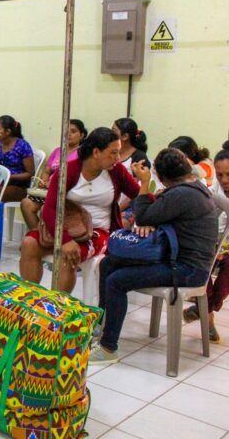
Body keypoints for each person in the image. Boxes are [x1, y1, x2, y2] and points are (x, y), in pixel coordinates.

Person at [90, 148, 219, 364]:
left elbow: (144, 214)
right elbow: (152, 216)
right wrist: (149, 220)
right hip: (177, 259)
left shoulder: (182, 194)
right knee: (109, 264)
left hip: (187, 270)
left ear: (161, 177)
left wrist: (143, 183)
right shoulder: (193, 187)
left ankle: (108, 348)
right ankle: (102, 327)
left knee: (116, 281)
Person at [19, 127, 139, 293]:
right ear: (96, 152)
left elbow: (137, 195)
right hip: (66, 229)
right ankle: (29, 299)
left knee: (67, 257)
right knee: (29, 243)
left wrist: (146, 183)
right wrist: (65, 239)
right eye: (113, 153)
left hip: (99, 230)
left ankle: (58, 308)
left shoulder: (117, 171)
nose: (117, 158)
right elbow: (49, 208)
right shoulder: (68, 170)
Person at [183, 140, 229, 342]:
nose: (224, 180)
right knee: (202, 269)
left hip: (225, 248)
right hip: (207, 245)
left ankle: (204, 309)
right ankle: (207, 317)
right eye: (220, 175)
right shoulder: (211, 190)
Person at [20, 119, 87, 231]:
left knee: (45, 210)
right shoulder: (58, 151)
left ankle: (49, 238)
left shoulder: (83, 153)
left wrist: (55, 184)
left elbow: (81, 176)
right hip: (48, 191)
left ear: (82, 135)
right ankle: (38, 236)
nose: (68, 134)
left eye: (73, 131)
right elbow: (47, 171)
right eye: (66, 131)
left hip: (66, 193)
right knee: (26, 204)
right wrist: (44, 182)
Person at [0, 115, 35, 203]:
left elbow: (30, 173)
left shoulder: (22, 145)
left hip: (19, 187)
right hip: (1, 182)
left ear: (8, 131)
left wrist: (9, 177)